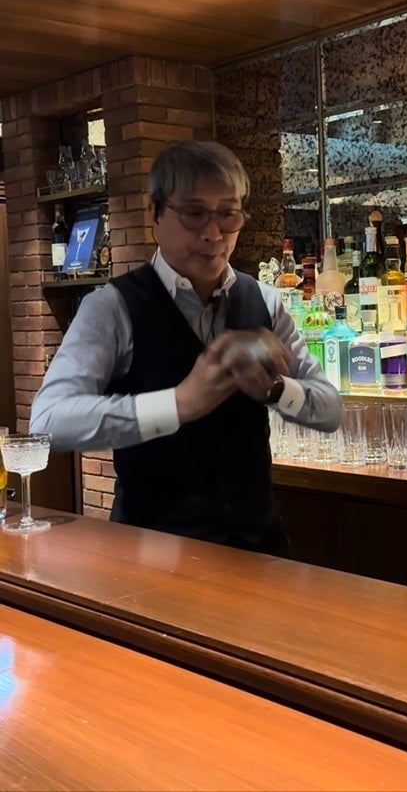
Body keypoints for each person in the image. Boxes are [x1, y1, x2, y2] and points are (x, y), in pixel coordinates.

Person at [31, 140, 342, 555]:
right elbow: (48, 420)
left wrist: (276, 390)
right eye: (194, 214)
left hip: (258, 554)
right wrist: (178, 404)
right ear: (155, 214)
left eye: (228, 214)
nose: (213, 234)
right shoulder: (112, 306)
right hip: (152, 555)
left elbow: (331, 409)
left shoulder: (264, 301)